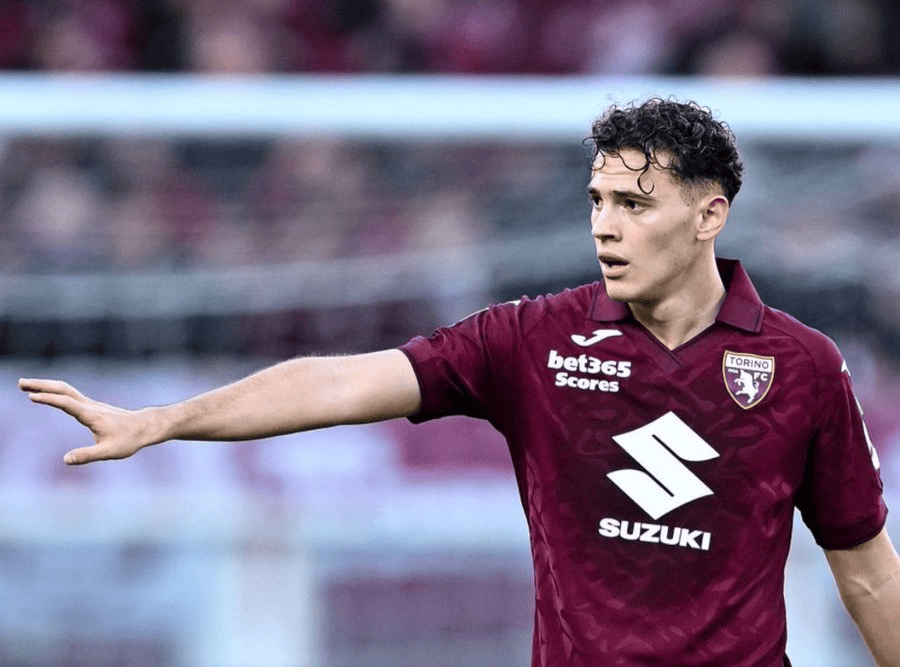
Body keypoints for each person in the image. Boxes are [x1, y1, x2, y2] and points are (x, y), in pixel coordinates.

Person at [19, 98, 900, 667]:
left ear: (711, 214)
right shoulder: (533, 338)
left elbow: (865, 575)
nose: (605, 226)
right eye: (597, 201)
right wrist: (168, 419)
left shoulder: (803, 366)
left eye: (634, 205)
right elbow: (342, 384)